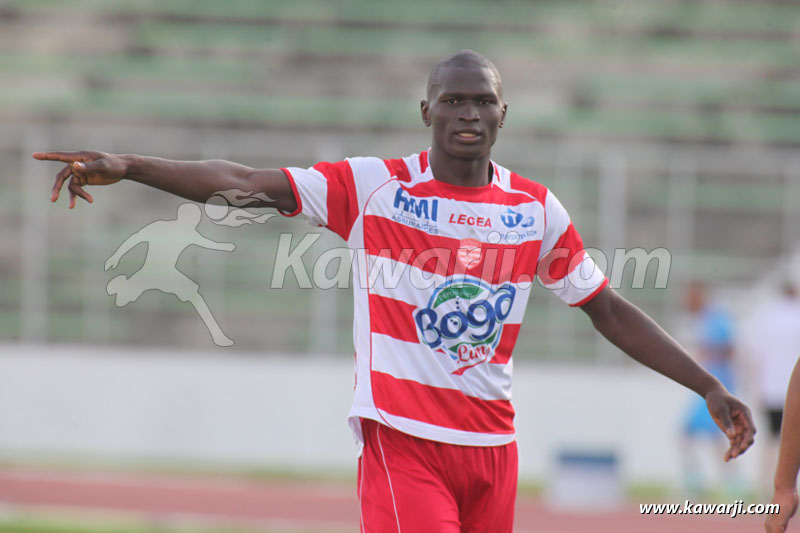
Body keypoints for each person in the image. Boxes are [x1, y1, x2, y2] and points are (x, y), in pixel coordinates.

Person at [34, 50, 755, 533]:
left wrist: (705, 384)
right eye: (453, 101)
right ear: (426, 112)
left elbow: (607, 307)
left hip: (493, 449)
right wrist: (128, 165)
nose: (468, 113)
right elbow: (246, 184)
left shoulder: (536, 209)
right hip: (403, 441)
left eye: (483, 102)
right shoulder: (375, 188)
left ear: (503, 115)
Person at [680, 281, 738, 494]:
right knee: (694, 434)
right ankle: (701, 484)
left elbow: (731, 349)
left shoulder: (716, 318)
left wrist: (708, 356)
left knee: (715, 436)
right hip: (706, 387)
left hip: (715, 386)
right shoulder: (703, 319)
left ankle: (730, 486)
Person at [765, 356, 800, 532]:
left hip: (772, 391)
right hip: (774, 393)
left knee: (769, 443)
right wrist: (784, 487)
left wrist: (784, 487)